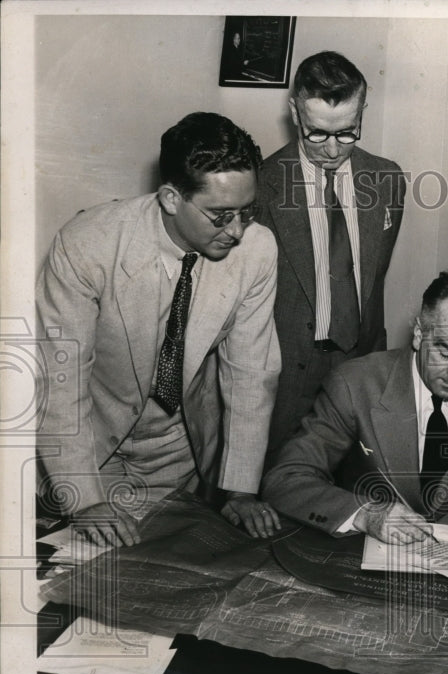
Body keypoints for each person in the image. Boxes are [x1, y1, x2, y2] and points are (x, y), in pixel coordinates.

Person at [36, 112, 282, 546]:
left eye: (247, 211)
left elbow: (251, 375)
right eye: (220, 215)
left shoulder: (257, 250)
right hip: (91, 450)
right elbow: (59, 380)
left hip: (178, 452)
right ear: (171, 198)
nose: (237, 231)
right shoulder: (87, 244)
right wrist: (85, 500)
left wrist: (240, 491)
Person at [262, 270, 448, 550]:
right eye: (445, 353)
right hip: (366, 549)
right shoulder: (355, 384)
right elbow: (285, 479)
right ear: (420, 334)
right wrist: (365, 514)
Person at [257, 50, 406, 461]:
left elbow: (373, 280)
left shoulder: (388, 180)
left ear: (362, 113)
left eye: (347, 133)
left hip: (360, 367)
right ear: (295, 113)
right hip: (284, 375)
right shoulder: (261, 185)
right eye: (317, 134)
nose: (331, 150)